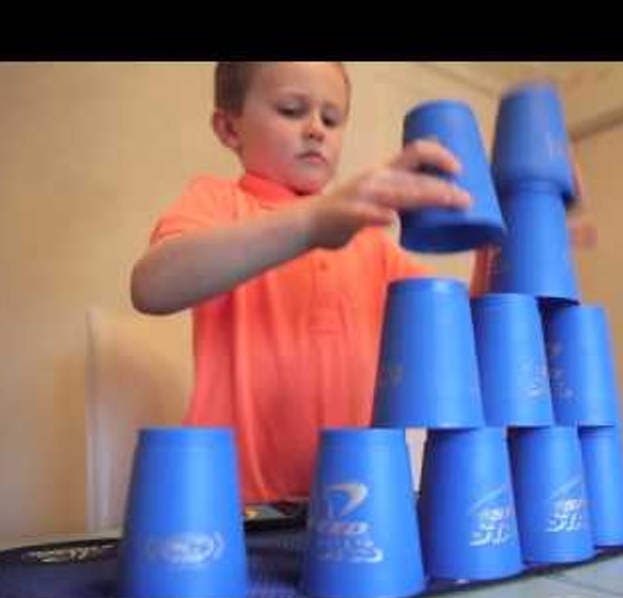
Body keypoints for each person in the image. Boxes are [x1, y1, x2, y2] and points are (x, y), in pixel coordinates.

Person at [131, 61, 590, 504]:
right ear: (230, 128)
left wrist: (517, 228)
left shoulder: (370, 245)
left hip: (359, 509)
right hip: (231, 506)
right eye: (291, 110)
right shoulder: (218, 202)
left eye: (331, 118)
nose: (316, 128)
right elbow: (152, 286)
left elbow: (466, 337)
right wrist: (310, 223)